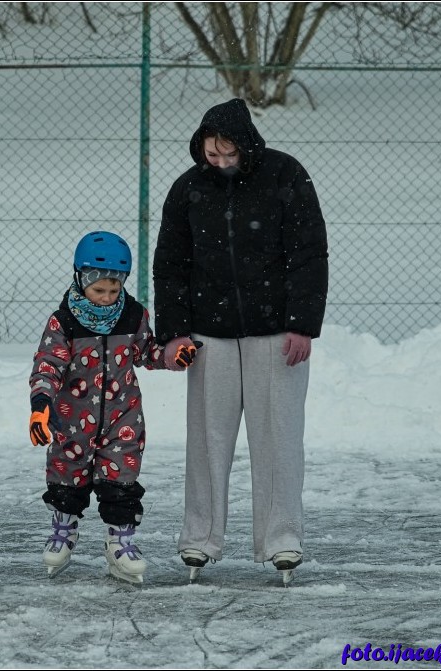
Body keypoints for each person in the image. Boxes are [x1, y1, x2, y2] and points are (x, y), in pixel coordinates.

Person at [152, 98, 329, 584]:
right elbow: (170, 264)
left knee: (278, 437)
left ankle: (282, 539)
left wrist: (302, 323)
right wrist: (174, 333)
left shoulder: (285, 175)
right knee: (207, 440)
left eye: (230, 154)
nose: (222, 163)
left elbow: (309, 253)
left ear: (247, 145)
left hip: (276, 333)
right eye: (213, 154)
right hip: (209, 335)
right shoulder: (187, 189)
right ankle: (200, 538)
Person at [28, 231, 199, 584]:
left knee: (121, 480)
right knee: (67, 478)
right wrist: (40, 406)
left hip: (123, 417)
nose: (107, 298)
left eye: (114, 289)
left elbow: (146, 352)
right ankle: (64, 529)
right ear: (81, 280)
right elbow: (48, 365)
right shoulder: (64, 322)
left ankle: (120, 542)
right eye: (99, 290)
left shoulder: (132, 315)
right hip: (72, 420)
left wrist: (171, 355)